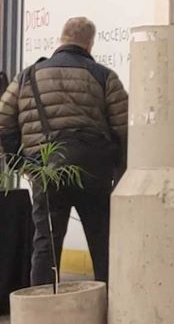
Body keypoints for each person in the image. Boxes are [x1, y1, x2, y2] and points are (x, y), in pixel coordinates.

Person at [0, 16, 128, 287]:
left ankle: (42, 304)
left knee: (45, 243)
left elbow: (3, 121)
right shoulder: (104, 76)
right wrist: (117, 169)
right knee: (102, 241)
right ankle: (110, 302)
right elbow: (123, 128)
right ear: (90, 43)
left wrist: (21, 162)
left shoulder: (27, 77)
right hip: (94, 171)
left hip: (46, 169)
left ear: (61, 38)